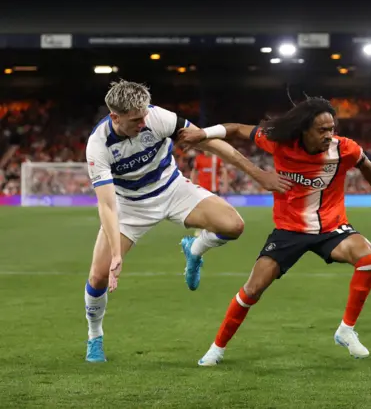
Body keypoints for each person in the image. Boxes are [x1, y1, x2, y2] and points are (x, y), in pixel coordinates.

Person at [83, 80, 291, 363]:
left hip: (172, 189)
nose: (144, 123)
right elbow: (107, 205)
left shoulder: (158, 117)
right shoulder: (98, 145)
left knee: (233, 226)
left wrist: (259, 174)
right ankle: (95, 337)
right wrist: (117, 255)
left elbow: (210, 142)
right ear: (114, 117)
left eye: (145, 115)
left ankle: (194, 249)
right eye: (135, 120)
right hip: (129, 207)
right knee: (98, 275)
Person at [178, 96, 371, 365]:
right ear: (304, 129)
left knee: (369, 258)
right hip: (289, 231)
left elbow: (366, 165)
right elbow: (235, 129)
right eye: (322, 130)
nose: (329, 135)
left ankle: (346, 330)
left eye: (332, 129)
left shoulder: (344, 149)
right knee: (252, 290)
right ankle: (217, 348)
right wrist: (202, 133)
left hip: (331, 227)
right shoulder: (278, 141)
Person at [190, 151, 228, 236]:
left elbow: (223, 171)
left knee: (215, 210)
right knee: (202, 210)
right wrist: (192, 184)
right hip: (202, 189)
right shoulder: (199, 158)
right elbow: (194, 171)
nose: (207, 150)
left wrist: (225, 185)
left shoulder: (216, 159)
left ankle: (214, 228)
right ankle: (200, 228)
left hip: (214, 189)